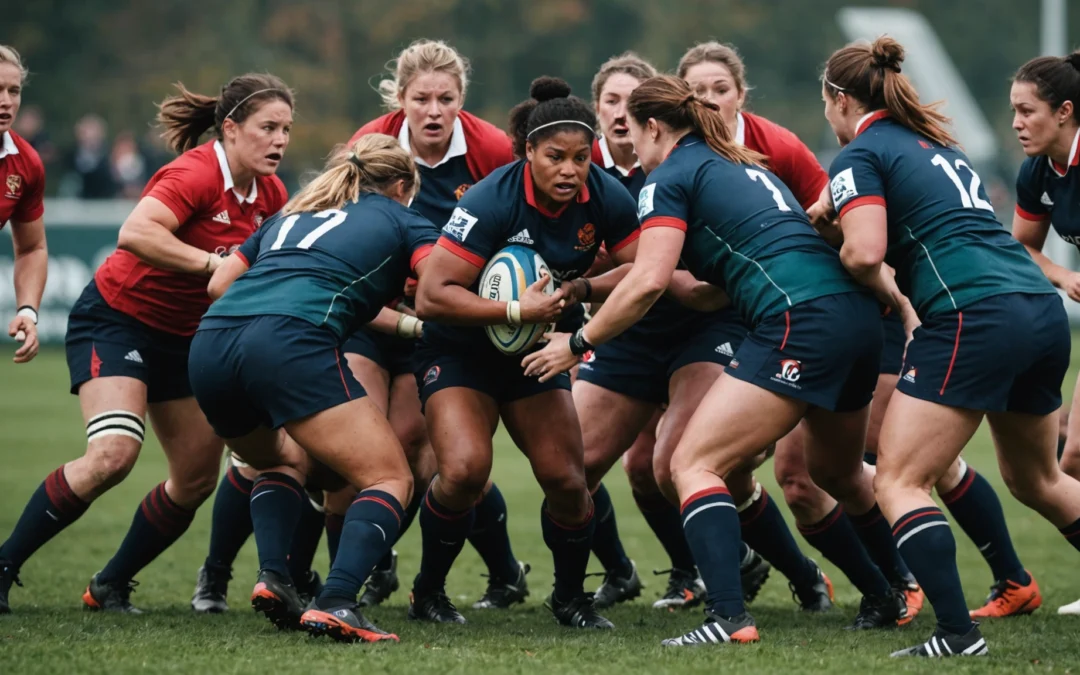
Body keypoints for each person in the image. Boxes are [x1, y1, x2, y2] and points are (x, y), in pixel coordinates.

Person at [524, 73, 904, 645]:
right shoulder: (741, 165)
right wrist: (587, 290)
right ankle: (888, 594)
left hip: (799, 323)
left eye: (635, 128)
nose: (630, 141)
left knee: (689, 463)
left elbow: (650, 280)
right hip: (854, 320)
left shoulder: (668, 175)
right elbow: (705, 289)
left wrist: (576, 343)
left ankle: (728, 617)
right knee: (838, 473)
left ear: (655, 128)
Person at [823, 37, 1080, 657]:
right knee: (1037, 477)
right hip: (1040, 312)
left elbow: (863, 251)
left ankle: (957, 635)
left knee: (900, 479)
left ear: (838, 101)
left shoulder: (860, 153)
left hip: (972, 316)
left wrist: (866, 270)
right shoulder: (937, 144)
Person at [0, 73, 291, 614]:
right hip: (118, 321)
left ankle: (111, 582)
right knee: (113, 454)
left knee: (197, 478)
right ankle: (4, 564)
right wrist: (214, 264)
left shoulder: (272, 195)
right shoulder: (197, 171)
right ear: (230, 129)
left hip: (189, 342)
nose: (279, 141)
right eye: (267, 127)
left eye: (286, 130)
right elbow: (135, 232)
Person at [578, 49, 836, 617]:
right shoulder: (580, 166)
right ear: (596, 111)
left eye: (632, 101)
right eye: (609, 102)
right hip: (635, 331)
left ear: (658, 115)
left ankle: (799, 574)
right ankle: (643, 572)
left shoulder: (720, 157)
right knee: (581, 464)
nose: (621, 113)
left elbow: (677, 280)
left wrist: (580, 335)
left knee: (684, 461)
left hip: (706, 325)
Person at [409, 76, 642, 629]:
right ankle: (428, 592)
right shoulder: (492, 198)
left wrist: (583, 290)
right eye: (555, 157)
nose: (569, 170)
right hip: (462, 350)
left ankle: (569, 598)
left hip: (536, 353)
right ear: (528, 152)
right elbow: (432, 294)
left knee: (567, 480)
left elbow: (642, 267)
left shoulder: (605, 194)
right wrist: (516, 312)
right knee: (464, 470)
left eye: (581, 158)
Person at [188, 133, 435, 642]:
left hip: (211, 345)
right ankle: (340, 601)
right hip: (288, 343)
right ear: (403, 185)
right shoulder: (404, 217)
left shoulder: (289, 216)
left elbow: (217, 286)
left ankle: (275, 577)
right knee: (390, 478)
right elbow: (437, 290)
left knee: (281, 459)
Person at [1010, 50, 1080, 617]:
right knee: (1073, 460)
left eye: (1027, 111)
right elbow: (1023, 245)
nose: (1016, 123)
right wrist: (1062, 275)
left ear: (1064, 112)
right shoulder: (1037, 171)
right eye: (1013, 110)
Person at [0, 45, 47, 372]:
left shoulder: (26, 163)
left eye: (13, 91)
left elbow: (32, 248)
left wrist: (28, 311)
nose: (6, 101)